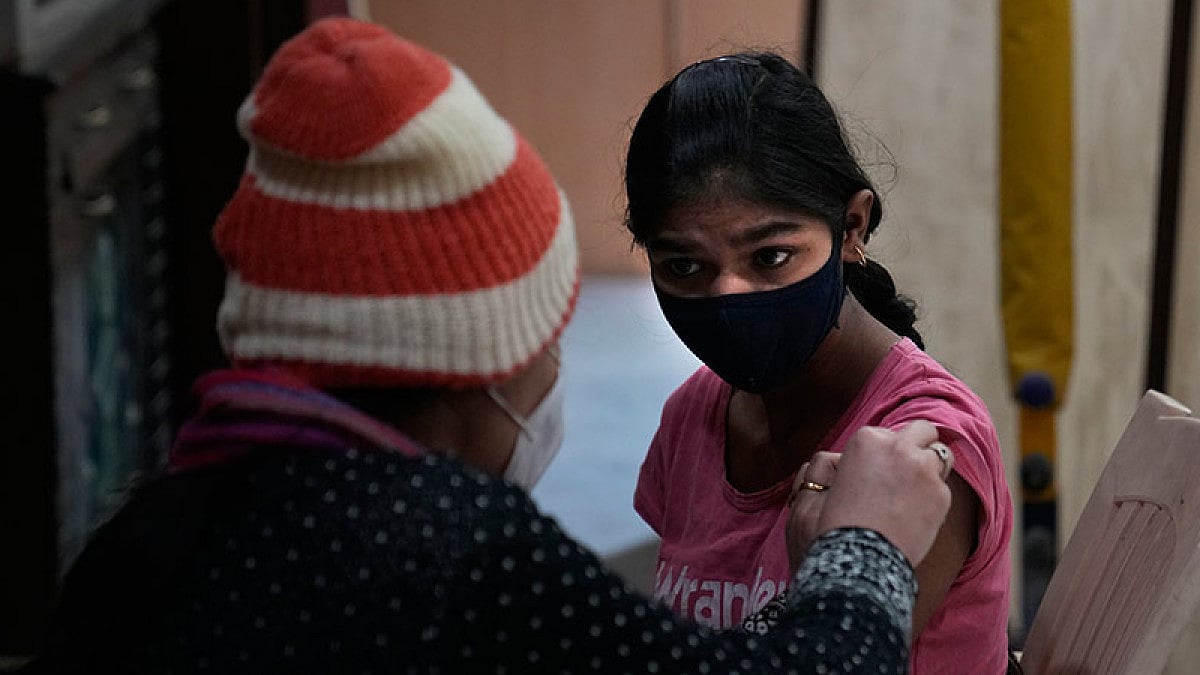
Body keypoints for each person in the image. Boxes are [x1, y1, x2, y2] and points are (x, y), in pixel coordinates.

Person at [28, 19, 953, 674]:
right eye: (548, 334)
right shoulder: (453, 554)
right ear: (480, 362)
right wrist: (864, 547)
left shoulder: (146, 539)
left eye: (771, 254)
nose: (556, 371)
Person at [625, 52, 1014, 674]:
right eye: (684, 267)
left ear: (851, 227)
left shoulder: (920, 444)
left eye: (771, 257)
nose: (728, 297)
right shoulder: (695, 413)